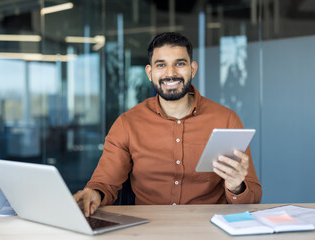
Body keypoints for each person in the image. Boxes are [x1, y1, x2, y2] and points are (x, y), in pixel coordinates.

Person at [73, 32, 262, 217]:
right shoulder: (127, 124)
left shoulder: (226, 120)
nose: (170, 74)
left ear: (192, 69)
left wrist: (237, 186)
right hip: (148, 229)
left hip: (209, 227)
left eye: (179, 64)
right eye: (161, 65)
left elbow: (253, 197)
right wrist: (93, 194)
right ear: (150, 72)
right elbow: (105, 183)